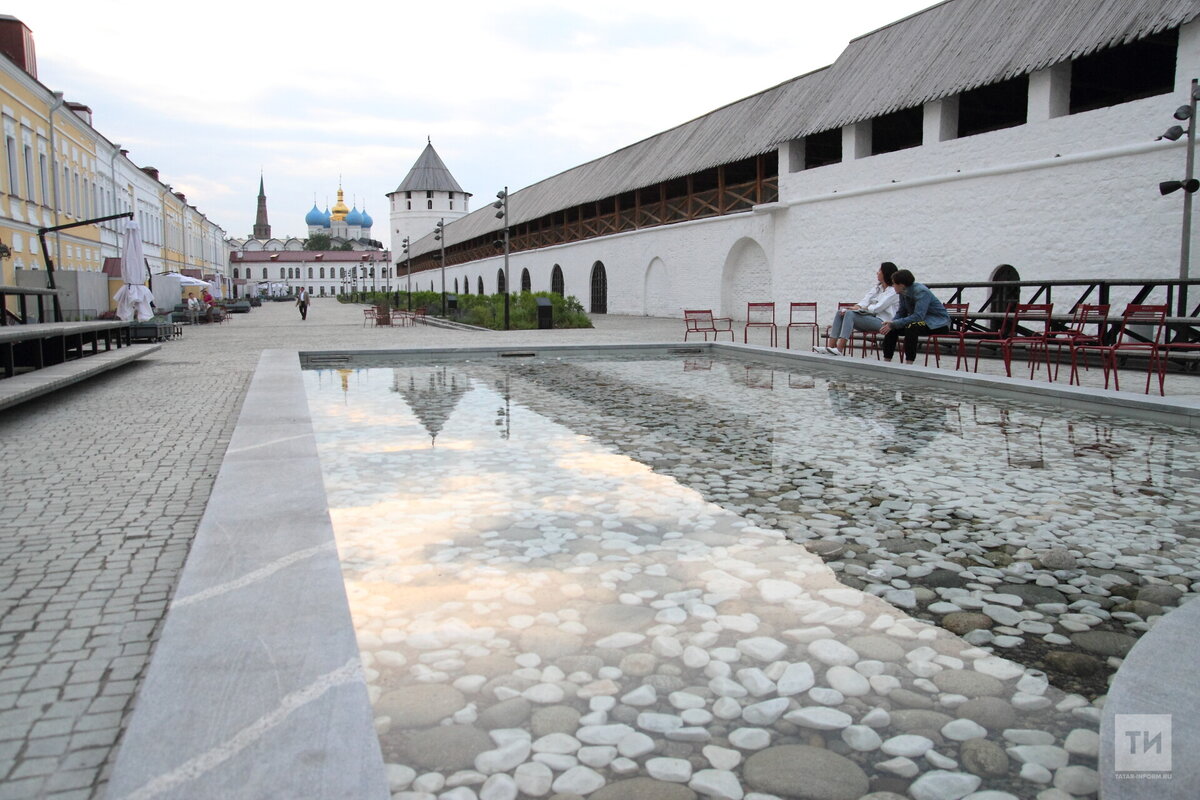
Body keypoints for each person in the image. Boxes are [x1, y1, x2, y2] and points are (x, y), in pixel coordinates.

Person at [819, 261, 899, 356]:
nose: (877, 273)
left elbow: (877, 308)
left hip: (883, 322)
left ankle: (839, 349)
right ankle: (830, 346)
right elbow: (865, 301)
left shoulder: (893, 291)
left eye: (879, 270)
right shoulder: (877, 288)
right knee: (841, 312)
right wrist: (855, 307)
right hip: (871, 318)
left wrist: (860, 309)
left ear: (886, 273)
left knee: (850, 314)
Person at [879, 269, 951, 364]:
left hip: (937, 324)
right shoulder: (902, 292)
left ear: (901, 284)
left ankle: (909, 362)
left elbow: (918, 316)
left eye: (894, 284)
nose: (893, 286)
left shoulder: (921, 291)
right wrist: (892, 323)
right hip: (921, 322)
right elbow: (901, 312)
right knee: (891, 328)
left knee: (912, 327)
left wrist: (895, 323)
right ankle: (886, 361)